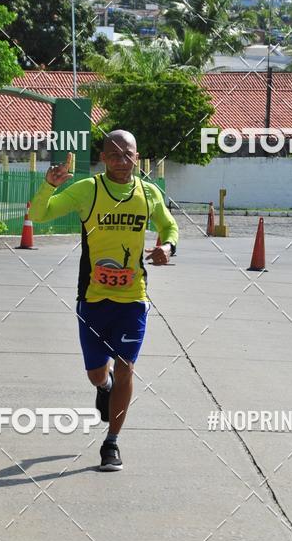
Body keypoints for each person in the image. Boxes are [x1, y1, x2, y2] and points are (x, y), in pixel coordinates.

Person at [29, 130, 179, 471]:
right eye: (113, 154)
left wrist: (167, 248)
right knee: (98, 374)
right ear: (103, 157)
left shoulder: (148, 193)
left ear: (136, 156)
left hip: (133, 299)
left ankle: (111, 442)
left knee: (127, 368)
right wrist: (49, 185)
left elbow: (170, 227)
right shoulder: (88, 190)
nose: (121, 161)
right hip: (93, 299)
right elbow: (40, 215)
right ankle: (104, 385)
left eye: (127, 154)